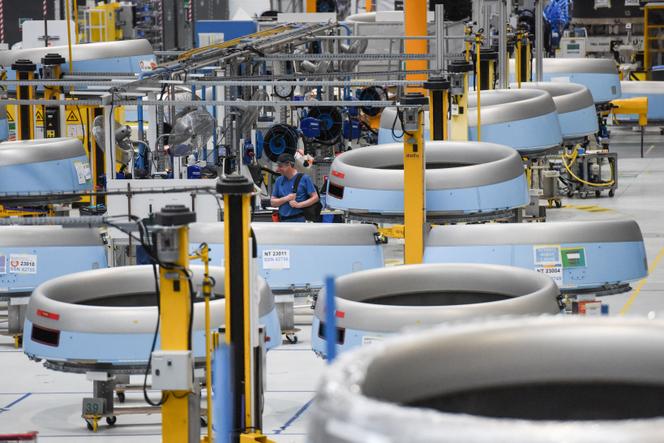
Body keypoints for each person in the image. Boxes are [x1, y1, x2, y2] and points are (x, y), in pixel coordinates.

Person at [270, 153, 319, 222]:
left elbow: (315, 198)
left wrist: (299, 205)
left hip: (299, 221)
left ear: (289, 165)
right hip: (283, 221)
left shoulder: (304, 178)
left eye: (280, 166)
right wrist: (286, 198)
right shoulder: (278, 180)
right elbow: (273, 202)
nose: (277, 170)